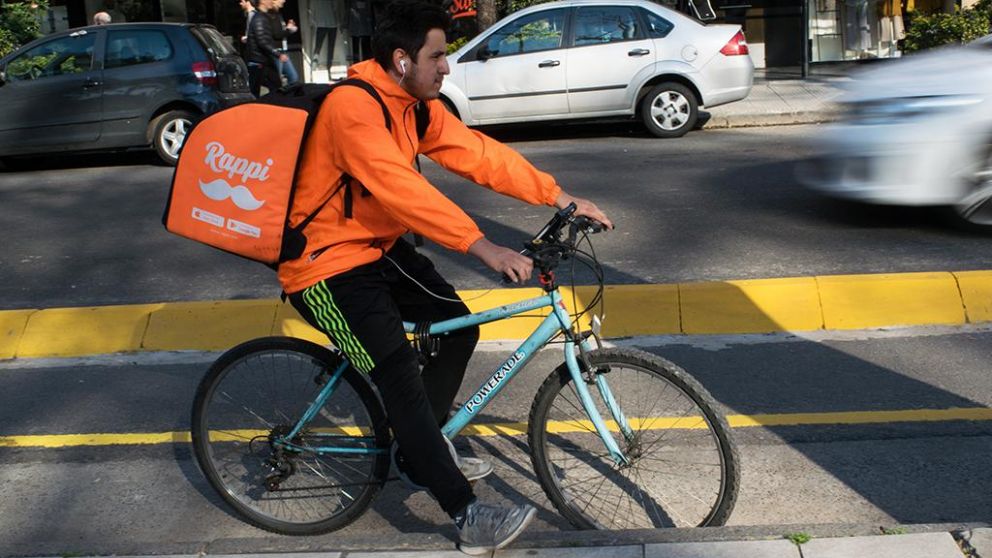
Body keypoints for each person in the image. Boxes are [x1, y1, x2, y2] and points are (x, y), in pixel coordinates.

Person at [280, 1, 613, 554]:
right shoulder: (351, 109)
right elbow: (399, 189)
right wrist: (479, 245)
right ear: (402, 59)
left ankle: (418, 451)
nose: (448, 66)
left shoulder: (414, 107)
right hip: (324, 266)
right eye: (438, 55)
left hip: (375, 249)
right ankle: (465, 513)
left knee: (456, 324)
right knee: (398, 374)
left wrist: (559, 195)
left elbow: (478, 155)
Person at [245, 0, 283, 96]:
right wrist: (278, 54)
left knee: (272, 88)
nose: (271, 1)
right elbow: (262, 41)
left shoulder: (263, 17)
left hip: (262, 61)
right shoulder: (259, 18)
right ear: (262, 1)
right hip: (260, 61)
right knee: (274, 88)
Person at [268, 0, 301, 87]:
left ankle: (289, 96)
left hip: (282, 51)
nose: (283, 1)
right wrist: (289, 30)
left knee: (293, 78)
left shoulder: (278, 14)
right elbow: (276, 34)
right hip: (276, 52)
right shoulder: (271, 15)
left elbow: (279, 32)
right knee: (278, 81)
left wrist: (288, 28)